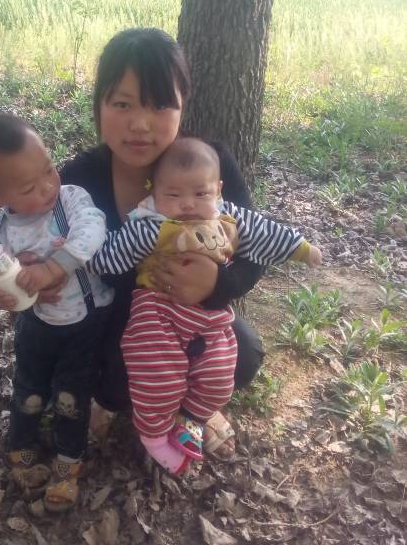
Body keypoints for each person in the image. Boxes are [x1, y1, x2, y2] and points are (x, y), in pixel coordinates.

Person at [0, 28, 268, 463]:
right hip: (107, 326)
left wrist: (216, 283)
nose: (140, 124)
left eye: (159, 105)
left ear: (183, 105)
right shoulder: (76, 182)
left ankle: (196, 407)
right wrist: (29, 276)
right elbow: (24, 236)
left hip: (193, 318)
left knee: (243, 354)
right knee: (116, 385)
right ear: (99, 106)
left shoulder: (208, 163)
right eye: (122, 104)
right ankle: (120, 401)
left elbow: (254, 249)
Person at [87, 137, 322, 474]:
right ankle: (154, 433)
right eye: (173, 195)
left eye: (200, 194)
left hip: (209, 315)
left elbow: (265, 233)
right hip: (157, 311)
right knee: (158, 372)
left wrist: (301, 248)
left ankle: (192, 417)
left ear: (218, 190)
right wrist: (79, 262)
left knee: (220, 371)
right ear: (154, 193)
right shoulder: (151, 224)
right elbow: (110, 256)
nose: (187, 205)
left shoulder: (229, 217)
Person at [0, 113, 114, 512]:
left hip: (84, 324)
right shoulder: (0, 233)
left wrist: (53, 268)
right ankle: (22, 449)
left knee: (71, 397)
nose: (47, 186)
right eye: (29, 187)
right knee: (28, 390)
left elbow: (93, 229)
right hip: (36, 327)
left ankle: (68, 464)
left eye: (49, 169)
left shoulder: (71, 200)